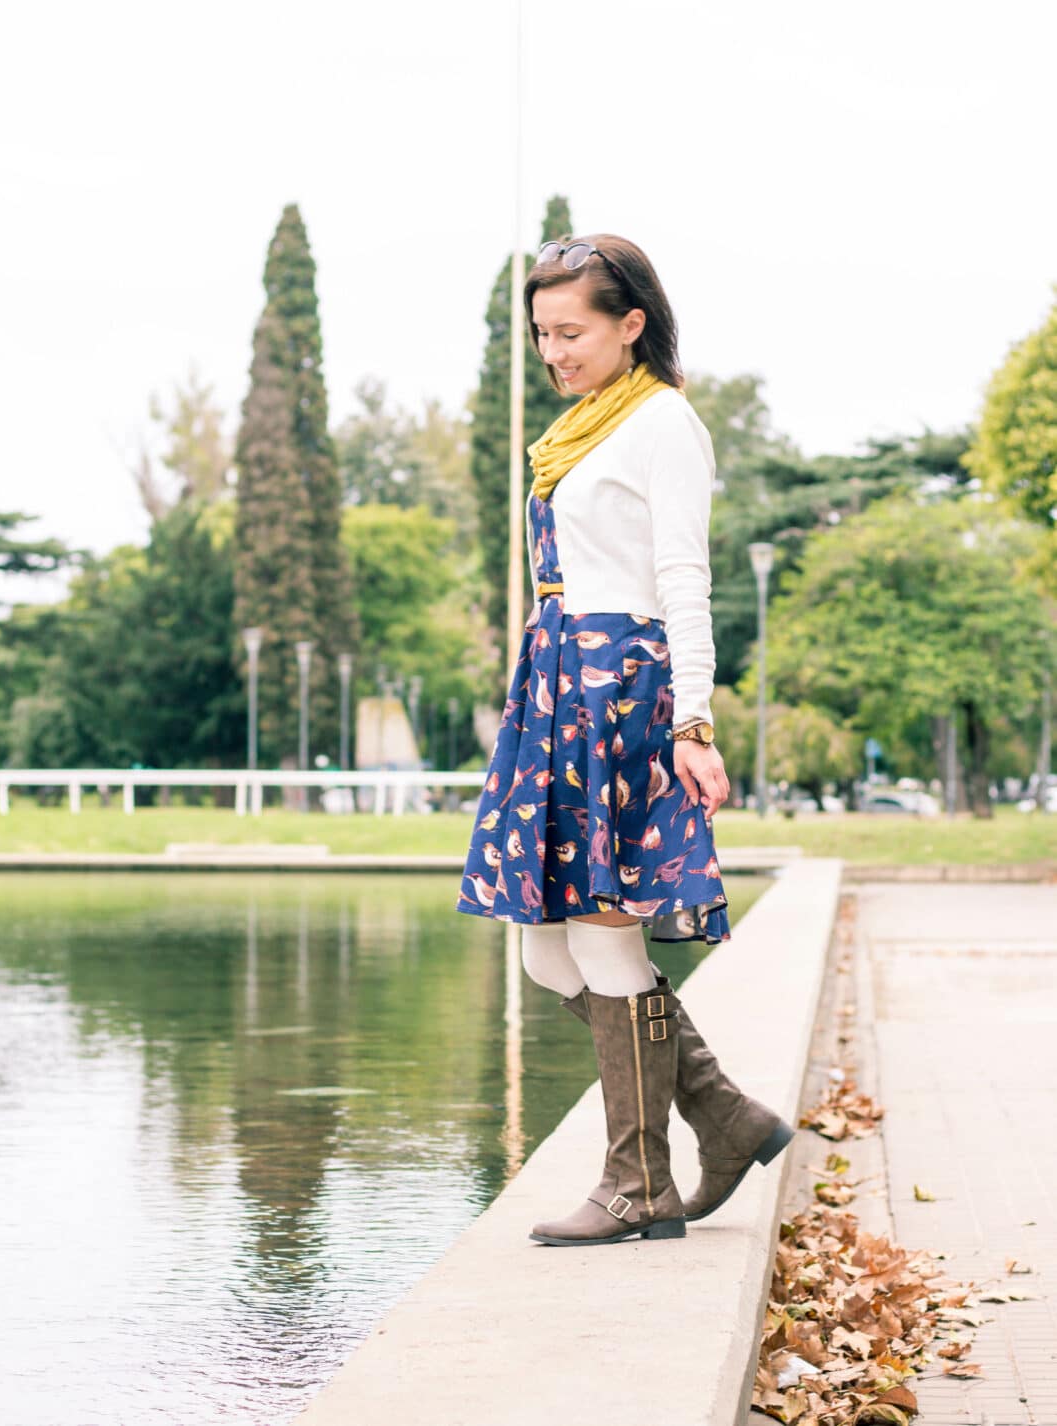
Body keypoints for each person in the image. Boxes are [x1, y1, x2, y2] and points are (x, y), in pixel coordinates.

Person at [455, 233, 793, 1246]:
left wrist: (694, 721)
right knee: (547, 957)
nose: (554, 351)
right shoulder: (578, 430)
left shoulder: (660, 424)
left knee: (602, 940)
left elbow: (680, 580)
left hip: (619, 697)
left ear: (629, 323)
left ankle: (638, 1182)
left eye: (572, 330)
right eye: (542, 335)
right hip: (556, 689)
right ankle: (724, 1118)